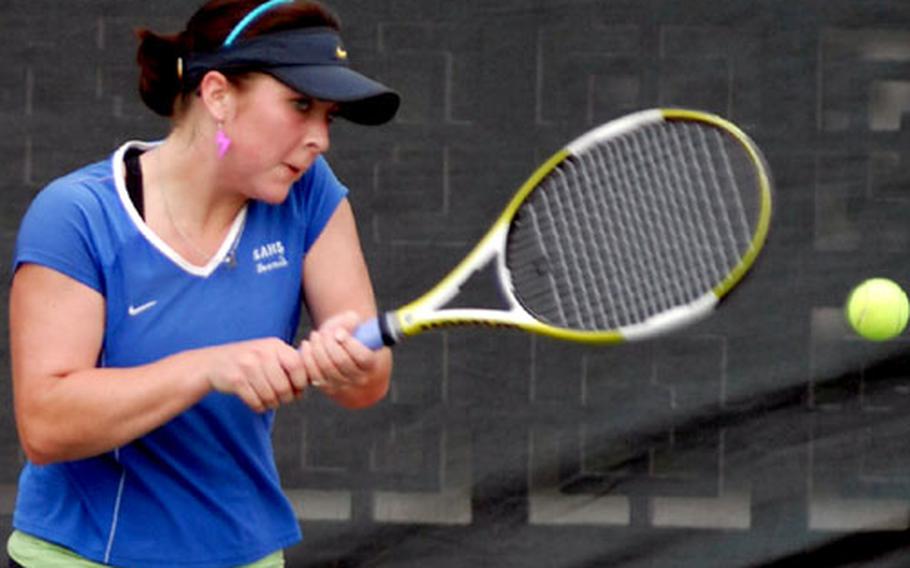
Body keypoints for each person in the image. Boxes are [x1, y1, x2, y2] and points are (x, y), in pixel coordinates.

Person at [7, 0, 397, 566]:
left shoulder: (312, 196)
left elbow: (367, 383)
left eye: (328, 116)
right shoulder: (77, 215)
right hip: (82, 556)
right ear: (217, 95)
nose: (320, 139)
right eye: (301, 104)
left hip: (244, 554)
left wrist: (351, 362)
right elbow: (45, 423)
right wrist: (208, 368)